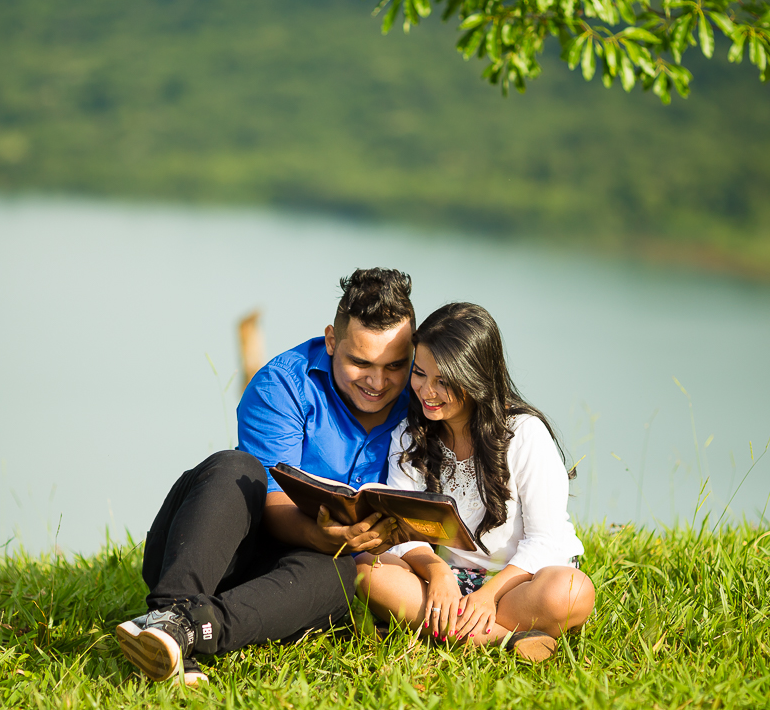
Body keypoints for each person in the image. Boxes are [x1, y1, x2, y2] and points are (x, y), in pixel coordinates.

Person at [116, 267, 415, 685]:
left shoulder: (422, 398)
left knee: (343, 574)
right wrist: (326, 537)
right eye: (360, 362)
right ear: (332, 340)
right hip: (218, 554)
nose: (378, 382)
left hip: (294, 580)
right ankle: (171, 608)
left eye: (395, 366)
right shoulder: (282, 383)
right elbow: (273, 506)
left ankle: (185, 632)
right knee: (238, 469)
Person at [355, 302, 595, 662]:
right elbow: (403, 530)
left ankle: (442, 628)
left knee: (572, 590)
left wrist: (488, 595)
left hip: (520, 582)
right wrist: (438, 573)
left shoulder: (524, 434)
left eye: (443, 381)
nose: (426, 391)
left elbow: (545, 541)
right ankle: (507, 641)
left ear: (475, 377)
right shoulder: (410, 435)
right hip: (448, 582)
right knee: (367, 569)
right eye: (419, 373)